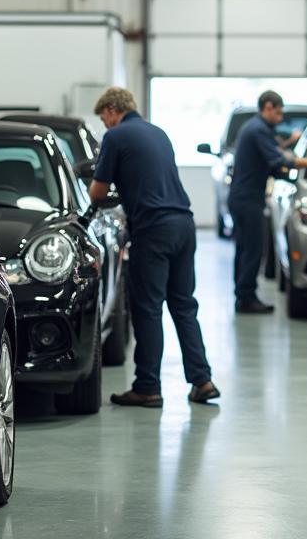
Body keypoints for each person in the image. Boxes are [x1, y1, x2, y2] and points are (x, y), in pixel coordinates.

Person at [89, 87, 219, 408]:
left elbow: (96, 193)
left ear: (111, 110)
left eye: (103, 117)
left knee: (147, 309)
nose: (104, 124)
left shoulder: (116, 137)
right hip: (183, 225)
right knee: (183, 305)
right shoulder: (159, 133)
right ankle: (202, 381)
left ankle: (147, 386)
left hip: (153, 230)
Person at [227, 90, 307, 314]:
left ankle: (242, 295)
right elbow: (278, 160)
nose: (281, 117)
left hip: (242, 197)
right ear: (267, 107)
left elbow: (274, 158)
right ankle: (246, 298)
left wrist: (288, 144)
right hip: (247, 199)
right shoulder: (257, 130)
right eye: (278, 112)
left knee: (245, 248)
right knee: (253, 249)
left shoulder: (257, 129)